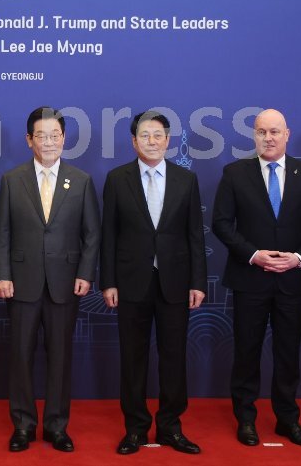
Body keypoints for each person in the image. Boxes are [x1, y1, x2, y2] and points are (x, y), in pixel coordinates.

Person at [211, 108, 301, 448]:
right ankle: (246, 420)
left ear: (287, 134)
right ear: (254, 135)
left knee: (288, 354)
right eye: (262, 132)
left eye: (275, 131)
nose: (268, 138)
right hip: (250, 277)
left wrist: (298, 258)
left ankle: (287, 420)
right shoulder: (235, 173)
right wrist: (253, 254)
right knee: (246, 352)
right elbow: (221, 223)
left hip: (293, 280)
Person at [0, 106, 100, 453]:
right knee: (20, 357)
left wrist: (85, 273)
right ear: (29, 140)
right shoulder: (12, 180)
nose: (49, 141)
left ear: (64, 138)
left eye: (55, 135)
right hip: (21, 283)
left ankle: (56, 426)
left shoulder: (81, 180)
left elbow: (92, 235)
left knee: (60, 358)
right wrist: (2, 274)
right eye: (42, 135)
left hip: (65, 284)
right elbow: (3, 233)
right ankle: (23, 425)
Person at [100, 111, 206, 455]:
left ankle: (171, 427)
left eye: (158, 135)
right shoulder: (117, 179)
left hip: (175, 282)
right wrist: (108, 281)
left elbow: (195, 235)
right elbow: (109, 234)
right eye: (144, 135)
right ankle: (135, 429)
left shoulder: (186, 179)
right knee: (133, 359)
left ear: (168, 140)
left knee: (174, 357)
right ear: (134, 142)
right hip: (131, 282)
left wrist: (198, 282)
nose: (151, 141)